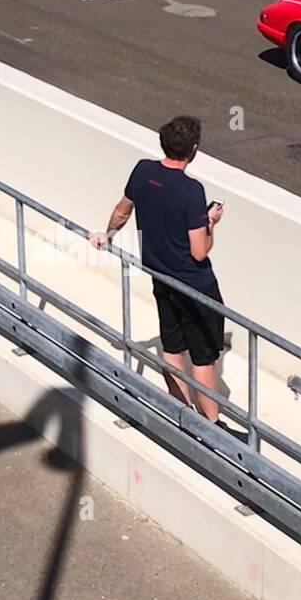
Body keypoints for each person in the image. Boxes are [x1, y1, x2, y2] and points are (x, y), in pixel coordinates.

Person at [91, 116, 226, 421]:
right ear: (193, 150)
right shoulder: (192, 191)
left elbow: (121, 211)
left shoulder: (143, 171)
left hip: (162, 280)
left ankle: (181, 413)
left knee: (173, 349)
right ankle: (213, 426)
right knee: (203, 359)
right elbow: (199, 251)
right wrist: (211, 223)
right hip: (195, 286)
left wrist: (106, 236)